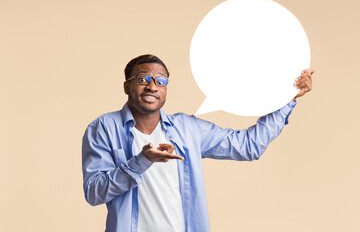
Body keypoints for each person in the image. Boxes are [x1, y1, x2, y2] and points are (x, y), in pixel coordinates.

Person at [82, 54, 314, 232]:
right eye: (143, 79)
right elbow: (94, 192)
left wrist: (288, 99)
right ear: (127, 86)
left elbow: (248, 146)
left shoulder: (188, 129)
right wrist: (141, 161)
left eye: (161, 81)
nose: (152, 86)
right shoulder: (103, 128)